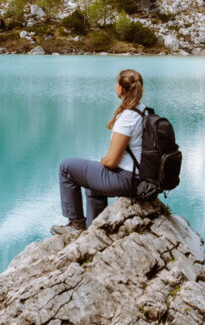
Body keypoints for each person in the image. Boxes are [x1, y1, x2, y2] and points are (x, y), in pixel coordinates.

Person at [52, 68, 145, 234]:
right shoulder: (143, 111)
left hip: (126, 180)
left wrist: (102, 161)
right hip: (139, 177)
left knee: (66, 167)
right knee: (93, 183)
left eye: (116, 83)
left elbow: (111, 161)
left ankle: (76, 224)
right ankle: (95, 228)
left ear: (121, 89)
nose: (115, 87)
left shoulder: (127, 118)